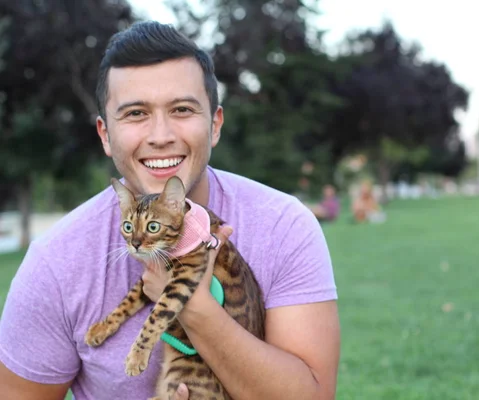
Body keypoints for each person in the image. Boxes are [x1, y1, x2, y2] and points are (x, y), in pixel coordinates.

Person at [0, 21, 340, 400]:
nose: (161, 136)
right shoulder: (56, 262)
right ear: (105, 135)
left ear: (214, 125)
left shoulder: (285, 226)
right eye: (135, 114)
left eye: (181, 109)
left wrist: (194, 308)